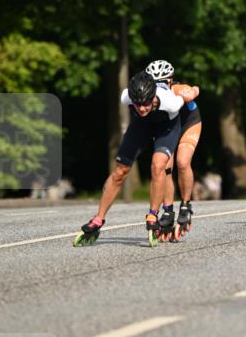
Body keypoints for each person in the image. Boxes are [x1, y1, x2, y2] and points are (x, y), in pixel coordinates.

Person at [74, 70, 185, 247]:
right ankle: (98, 219)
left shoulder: (170, 102)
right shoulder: (126, 96)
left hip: (167, 128)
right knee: (120, 171)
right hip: (141, 126)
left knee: (158, 166)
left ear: (154, 97)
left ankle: (152, 214)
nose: (141, 108)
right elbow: (138, 108)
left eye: (146, 103)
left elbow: (187, 96)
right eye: (137, 104)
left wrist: (191, 90)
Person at [146, 60, 201, 236]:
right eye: (154, 83)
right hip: (168, 127)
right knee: (165, 168)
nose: (159, 86)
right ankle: (168, 209)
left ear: (170, 80)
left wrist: (191, 91)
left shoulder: (176, 88)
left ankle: (185, 204)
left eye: (163, 82)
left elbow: (193, 91)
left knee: (182, 162)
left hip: (189, 123)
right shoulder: (148, 95)